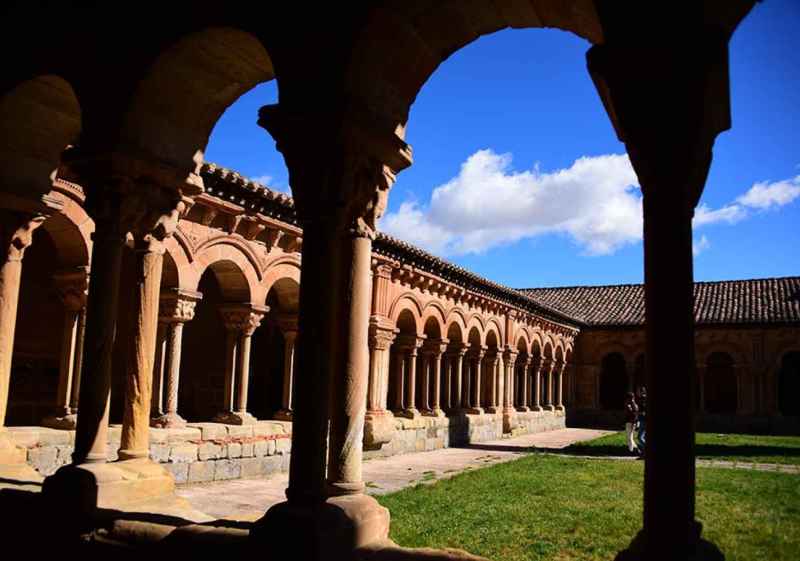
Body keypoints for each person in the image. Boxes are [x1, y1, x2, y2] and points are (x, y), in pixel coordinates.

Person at [623, 392, 640, 456]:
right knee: (630, 437)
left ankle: (632, 450)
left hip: (630, 422)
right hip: (630, 422)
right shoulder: (633, 404)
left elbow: (634, 414)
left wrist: (634, 423)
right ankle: (634, 449)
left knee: (629, 437)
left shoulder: (631, 404)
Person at [636, 386, 647, 456]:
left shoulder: (643, 398)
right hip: (643, 420)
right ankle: (644, 453)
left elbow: (643, 411)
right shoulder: (643, 398)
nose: (637, 392)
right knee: (643, 437)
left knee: (640, 437)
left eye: (638, 391)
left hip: (644, 420)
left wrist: (638, 413)